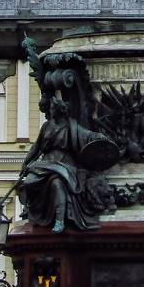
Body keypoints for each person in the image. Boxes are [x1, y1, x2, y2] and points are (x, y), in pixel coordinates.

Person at [17, 95, 116, 232]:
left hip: (64, 165)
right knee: (29, 183)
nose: (50, 111)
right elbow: (36, 147)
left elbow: (86, 135)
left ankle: (59, 220)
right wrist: (25, 164)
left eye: (52, 108)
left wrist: (99, 136)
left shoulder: (71, 126)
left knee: (57, 184)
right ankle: (35, 212)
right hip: (46, 164)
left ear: (59, 110)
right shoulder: (46, 126)